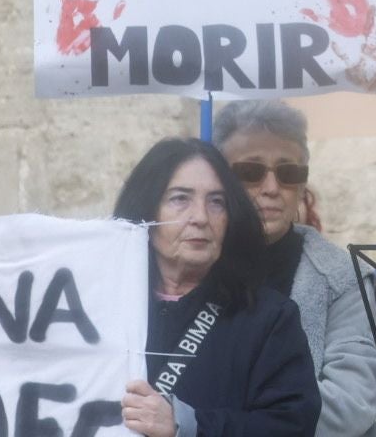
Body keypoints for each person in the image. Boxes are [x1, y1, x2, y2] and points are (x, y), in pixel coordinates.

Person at [113, 137, 321, 435]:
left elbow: (292, 426)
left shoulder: (269, 319)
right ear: (147, 212)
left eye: (216, 202)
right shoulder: (104, 308)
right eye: (180, 199)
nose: (200, 218)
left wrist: (187, 425)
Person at [215, 100, 376, 437]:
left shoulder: (342, 276)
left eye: (289, 173)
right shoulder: (192, 263)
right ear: (219, 177)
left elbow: (352, 402)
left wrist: (224, 423)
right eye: (251, 172)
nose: (272, 188)